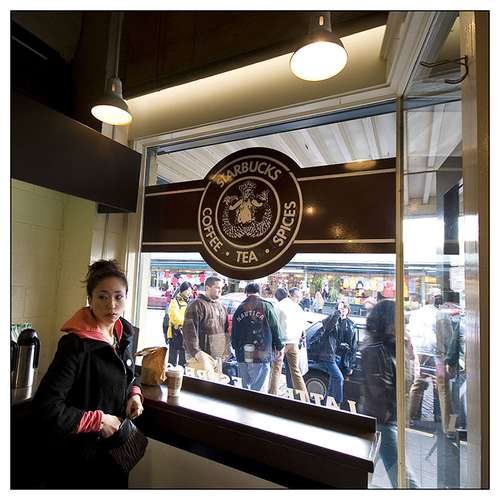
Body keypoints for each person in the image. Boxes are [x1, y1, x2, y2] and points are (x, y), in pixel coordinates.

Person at [32, 259, 144, 488]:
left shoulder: (123, 333)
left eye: (118, 296)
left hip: (114, 456)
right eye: (102, 297)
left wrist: (134, 394)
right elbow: (46, 408)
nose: (111, 305)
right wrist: (100, 421)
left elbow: (129, 373)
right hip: (80, 463)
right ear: (90, 299)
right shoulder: (75, 345)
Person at [359, 299, 418, 488]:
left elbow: (406, 383)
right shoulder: (375, 350)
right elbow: (381, 390)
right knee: (405, 481)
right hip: (382, 421)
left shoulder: (391, 347)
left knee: (364, 472)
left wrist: (407, 351)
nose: (402, 324)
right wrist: (389, 414)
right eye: (398, 319)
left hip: (388, 419)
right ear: (389, 322)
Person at [231, 283, 283, 392]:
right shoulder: (266, 306)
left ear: (246, 293)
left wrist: (235, 347)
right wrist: (279, 346)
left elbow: (234, 331)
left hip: (242, 353)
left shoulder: (239, 308)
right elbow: (275, 328)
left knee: (244, 387)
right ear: (259, 292)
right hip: (260, 353)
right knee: (259, 389)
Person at [268, 288, 310, 402]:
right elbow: (302, 327)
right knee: (295, 371)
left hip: (282, 343)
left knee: (276, 369)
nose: (298, 299)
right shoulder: (298, 308)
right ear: (290, 295)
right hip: (294, 343)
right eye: (297, 297)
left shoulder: (279, 306)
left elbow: (274, 325)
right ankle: (304, 399)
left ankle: (272, 396)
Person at [183, 276, 230, 369]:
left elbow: (225, 331)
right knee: (200, 379)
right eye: (217, 287)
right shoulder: (196, 305)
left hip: (218, 357)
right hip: (200, 356)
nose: (220, 290)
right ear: (207, 288)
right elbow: (189, 332)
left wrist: (226, 351)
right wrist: (196, 352)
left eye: (221, 288)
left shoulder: (221, 307)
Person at [166, 281, 192, 367]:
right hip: (175, 333)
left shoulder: (189, 302)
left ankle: (182, 373)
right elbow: (174, 317)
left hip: (185, 334)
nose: (189, 292)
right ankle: (170, 373)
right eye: (187, 290)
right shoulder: (175, 301)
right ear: (182, 290)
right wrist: (187, 322)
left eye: (190, 290)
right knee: (172, 359)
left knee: (183, 359)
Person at [335, 300, 358, 378]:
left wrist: (351, 365)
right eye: (340, 308)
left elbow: (353, 346)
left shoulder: (351, 325)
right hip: (333, 357)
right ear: (337, 309)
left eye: (345, 307)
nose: (343, 310)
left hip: (345, 359)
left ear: (348, 309)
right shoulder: (333, 322)